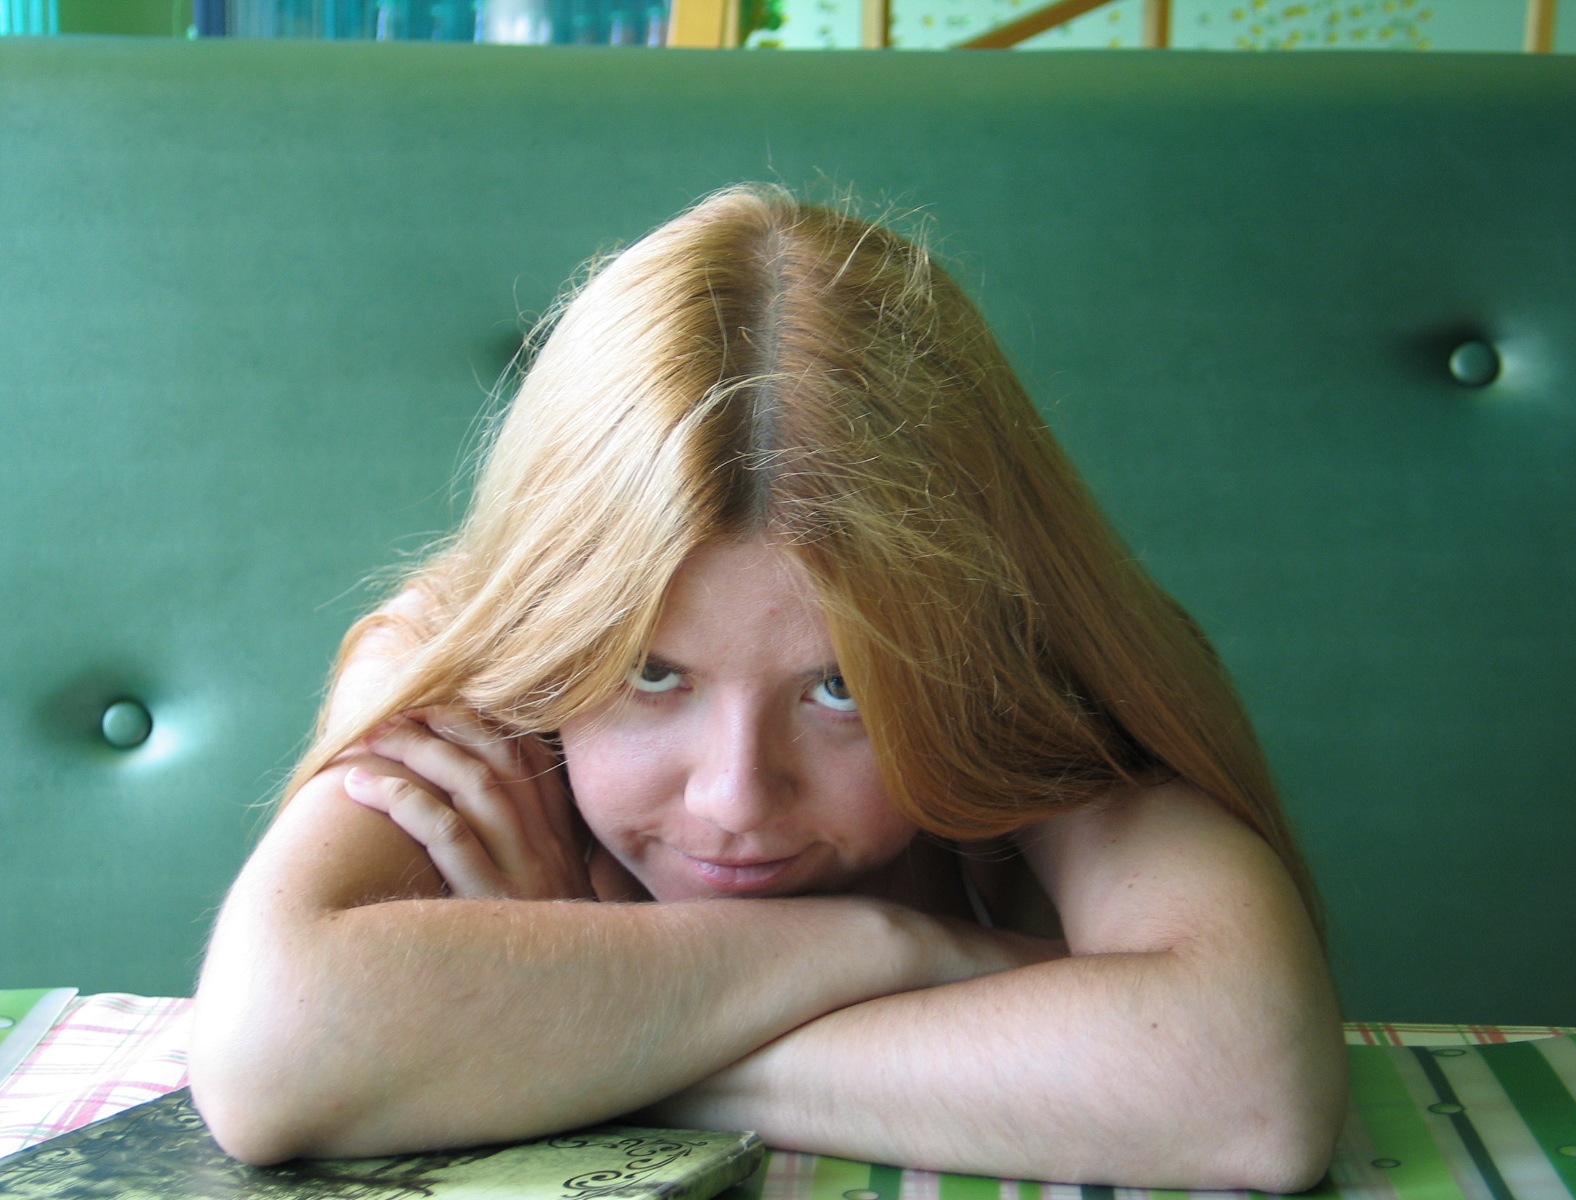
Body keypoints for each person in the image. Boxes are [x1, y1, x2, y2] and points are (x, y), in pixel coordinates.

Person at [189, 184, 1346, 1192]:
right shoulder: (476, 671)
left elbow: (1253, 1080)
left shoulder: (1026, 680)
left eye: (841, 689)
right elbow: (268, 1053)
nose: (737, 796)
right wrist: (898, 949)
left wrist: (559, 1041)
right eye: (651, 675)